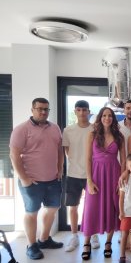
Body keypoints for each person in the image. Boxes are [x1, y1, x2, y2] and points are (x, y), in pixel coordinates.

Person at [9, 97, 64, 260]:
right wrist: (24, 178)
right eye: (40, 109)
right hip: (31, 181)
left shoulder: (55, 128)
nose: (43, 112)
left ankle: (44, 239)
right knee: (31, 212)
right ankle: (31, 245)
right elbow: (14, 155)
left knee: (53, 208)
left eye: (46, 109)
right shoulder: (21, 129)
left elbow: (60, 150)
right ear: (32, 109)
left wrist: (60, 169)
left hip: (53, 178)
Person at [81, 107, 126, 261]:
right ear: (100, 118)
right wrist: (89, 180)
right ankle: (86, 243)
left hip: (114, 174)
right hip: (96, 175)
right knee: (91, 208)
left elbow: (124, 160)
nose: (107, 118)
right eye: (104, 115)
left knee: (112, 208)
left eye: (110, 116)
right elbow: (87, 158)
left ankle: (108, 243)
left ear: (113, 118)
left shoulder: (119, 136)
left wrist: (121, 181)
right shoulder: (92, 134)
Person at [62, 100, 99, 252]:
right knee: (73, 207)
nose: (82, 113)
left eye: (85, 110)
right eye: (79, 110)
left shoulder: (95, 129)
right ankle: (74, 235)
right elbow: (67, 151)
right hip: (73, 174)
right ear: (75, 111)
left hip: (92, 174)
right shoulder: (68, 130)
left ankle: (94, 234)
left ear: (89, 111)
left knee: (92, 206)